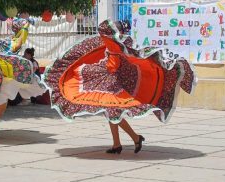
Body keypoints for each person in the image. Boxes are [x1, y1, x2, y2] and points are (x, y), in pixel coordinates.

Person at [45, 19, 195, 154]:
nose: (105, 35)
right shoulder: (115, 44)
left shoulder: (119, 46)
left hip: (113, 83)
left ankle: (133, 138)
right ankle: (119, 143)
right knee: (110, 113)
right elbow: (105, 36)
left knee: (112, 112)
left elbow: (113, 60)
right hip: (109, 80)